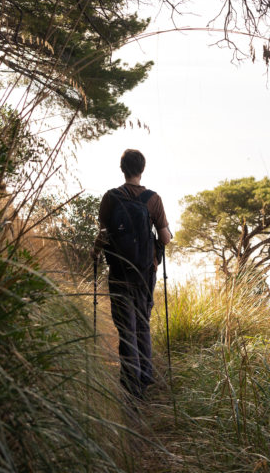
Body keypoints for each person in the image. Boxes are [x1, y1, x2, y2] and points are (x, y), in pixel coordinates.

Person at [92, 149, 172, 399]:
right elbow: (166, 238)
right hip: (144, 275)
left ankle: (130, 385)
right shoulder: (153, 199)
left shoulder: (110, 198)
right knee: (142, 325)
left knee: (126, 328)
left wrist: (94, 254)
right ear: (142, 169)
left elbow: (103, 233)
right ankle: (145, 378)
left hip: (118, 273)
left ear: (122, 168)